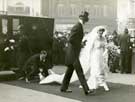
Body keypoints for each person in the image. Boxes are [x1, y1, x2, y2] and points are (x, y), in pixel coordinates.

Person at [60, 11, 94, 95]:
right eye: (85, 19)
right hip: (73, 54)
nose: (86, 21)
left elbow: (73, 40)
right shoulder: (77, 26)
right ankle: (87, 90)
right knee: (80, 72)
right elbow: (71, 39)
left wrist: (81, 44)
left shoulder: (78, 26)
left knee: (69, 72)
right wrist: (80, 44)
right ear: (83, 19)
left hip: (72, 53)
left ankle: (63, 88)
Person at [81, 26, 109, 91]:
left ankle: (100, 82)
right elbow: (90, 48)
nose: (101, 32)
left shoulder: (104, 38)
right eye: (100, 31)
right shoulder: (94, 38)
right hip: (95, 55)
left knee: (101, 68)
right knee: (97, 68)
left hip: (101, 55)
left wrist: (105, 52)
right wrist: (89, 57)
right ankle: (97, 83)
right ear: (97, 31)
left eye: (102, 31)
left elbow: (106, 46)